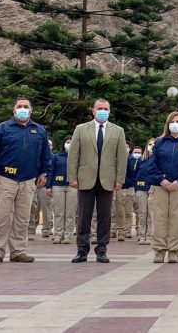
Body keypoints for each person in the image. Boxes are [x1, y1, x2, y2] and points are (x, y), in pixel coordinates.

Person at [0, 98, 52, 263]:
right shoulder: (2, 129)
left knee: (23, 218)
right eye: (19, 106)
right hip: (4, 178)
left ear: (31, 110)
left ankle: (18, 251)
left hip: (28, 180)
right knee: (0, 216)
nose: (23, 109)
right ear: (13, 110)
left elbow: (45, 155)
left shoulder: (39, 130)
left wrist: (44, 173)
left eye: (26, 107)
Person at [68, 99, 128, 264]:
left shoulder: (118, 131)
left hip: (107, 179)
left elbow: (122, 158)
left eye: (106, 109)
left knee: (105, 216)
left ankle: (102, 249)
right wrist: (72, 177)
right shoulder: (81, 129)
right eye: (99, 108)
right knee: (83, 216)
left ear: (109, 111)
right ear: (93, 111)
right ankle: (82, 250)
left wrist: (119, 178)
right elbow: (73, 155)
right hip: (85, 178)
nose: (103, 111)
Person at [140, 111, 178, 263]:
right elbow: (151, 165)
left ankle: (174, 250)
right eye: (172, 121)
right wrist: (161, 180)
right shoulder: (159, 142)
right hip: (159, 187)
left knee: (176, 220)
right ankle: (159, 250)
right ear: (167, 124)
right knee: (159, 219)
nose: (175, 124)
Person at [45, 137, 76, 244]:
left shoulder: (78, 157)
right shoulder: (57, 157)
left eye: (72, 142)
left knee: (70, 213)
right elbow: (51, 171)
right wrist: (48, 186)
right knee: (58, 212)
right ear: (63, 144)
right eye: (67, 142)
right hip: (57, 186)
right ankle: (58, 234)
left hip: (73, 187)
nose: (69, 144)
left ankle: (68, 235)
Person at [113, 143, 140, 241]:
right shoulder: (115, 159)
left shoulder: (133, 160)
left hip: (130, 187)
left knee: (129, 212)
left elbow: (135, 173)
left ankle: (128, 231)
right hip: (119, 187)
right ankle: (121, 231)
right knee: (120, 212)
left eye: (127, 147)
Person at [29, 139, 54, 240]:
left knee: (46, 208)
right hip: (32, 184)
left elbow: (52, 171)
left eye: (49, 145)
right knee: (32, 207)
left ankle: (46, 229)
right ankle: (30, 229)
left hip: (45, 185)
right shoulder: (32, 155)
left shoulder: (53, 157)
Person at [134, 144, 152, 245]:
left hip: (153, 189)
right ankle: (142, 236)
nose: (151, 146)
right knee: (142, 213)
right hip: (141, 188)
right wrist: (136, 188)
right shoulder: (141, 160)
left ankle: (149, 235)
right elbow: (134, 174)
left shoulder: (158, 159)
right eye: (149, 144)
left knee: (151, 214)